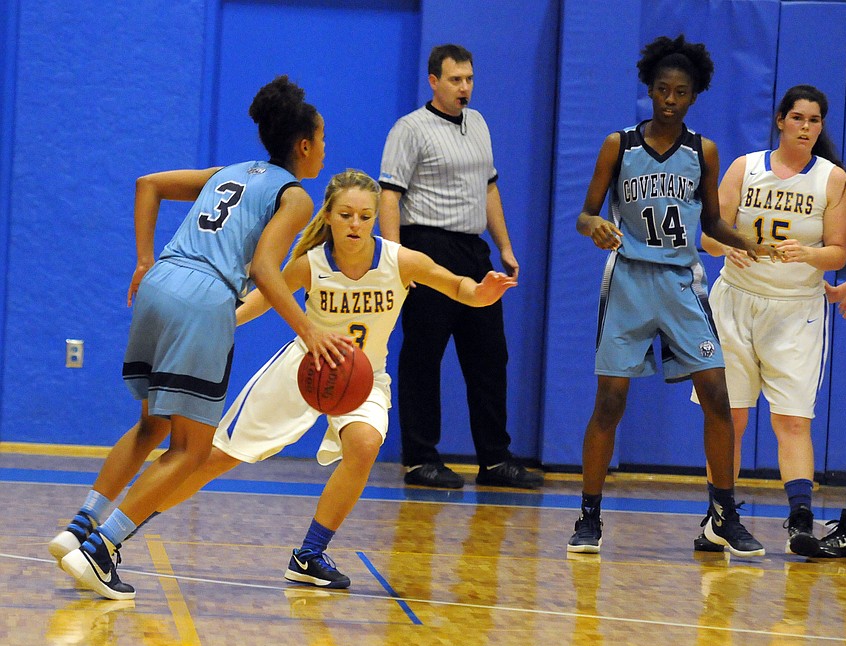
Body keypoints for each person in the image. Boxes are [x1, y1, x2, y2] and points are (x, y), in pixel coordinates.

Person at [130, 169, 518, 589]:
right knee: (216, 459)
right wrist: (215, 323)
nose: (356, 224)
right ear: (329, 216)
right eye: (347, 214)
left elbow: (457, 286)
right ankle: (118, 532)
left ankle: (309, 554)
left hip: (362, 378)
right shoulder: (310, 264)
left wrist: (480, 293)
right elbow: (260, 302)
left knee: (365, 444)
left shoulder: (401, 261)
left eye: (366, 217)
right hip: (303, 370)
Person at [48, 76, 348, 600]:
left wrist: (144, 260)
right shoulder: (294, 196)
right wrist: (309, 330)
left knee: (151, 427)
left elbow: (149, 184)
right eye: (322, 139)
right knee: (192, 450)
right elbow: (263, 268)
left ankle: (78, 528)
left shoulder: (228, 172)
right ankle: (100, 550)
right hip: (204, 297)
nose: (325, 148)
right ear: (303, 145)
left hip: (161, 282)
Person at [568, 35, 780, 556]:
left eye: (680, 92)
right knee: (610, 402)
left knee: (716, 395)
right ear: (649, 89)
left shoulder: (702, 150)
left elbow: (711, 220)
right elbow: (585, 213)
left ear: (694, 96)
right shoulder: (618, 145)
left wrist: (749, 242)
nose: (669, 98)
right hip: (630, 282)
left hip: (683, 283)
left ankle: (723, 515)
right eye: (662, 89)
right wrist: (594, 226)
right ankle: (588, 516)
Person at [378, 43, 543, 490]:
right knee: (424, 354)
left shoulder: (480, 124)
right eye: (455, 80)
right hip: (426, 246)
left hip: (474, 252)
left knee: (490, 355)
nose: (464, 88)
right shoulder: (409, 129)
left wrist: (504, 245)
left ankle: (494, 460)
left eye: (469, 79)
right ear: (434, 81)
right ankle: (420, 458)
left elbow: (489, 188)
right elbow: (389, 194)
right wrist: (395, 259)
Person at [694, 85, 846, 556]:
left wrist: (809, 253)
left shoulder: (833, 179)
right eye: (798, 118)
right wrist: (729, 247)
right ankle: (718, 515)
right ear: (781, 120)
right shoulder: (746, 167)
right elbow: (708, 233)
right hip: (736, 303)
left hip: (796, 310)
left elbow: (839, 251)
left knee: (792, 420)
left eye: (815, 121)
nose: (806, 127)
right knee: (729, 417)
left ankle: (800, 518)